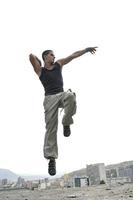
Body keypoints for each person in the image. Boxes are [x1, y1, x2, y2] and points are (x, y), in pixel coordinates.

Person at [29, 47, 97, 176]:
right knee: (51, 128)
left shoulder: (58, 64)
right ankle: (52, 159)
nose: (54, 57)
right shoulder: (40, 71)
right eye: (51, 55)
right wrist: (38, 59)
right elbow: (31, 56)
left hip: (61, 95)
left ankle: (66, 122)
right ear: (45, 57)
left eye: (54, 55)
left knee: (71, 96)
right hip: (49, 99)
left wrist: (87, 50)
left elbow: (73, 54)